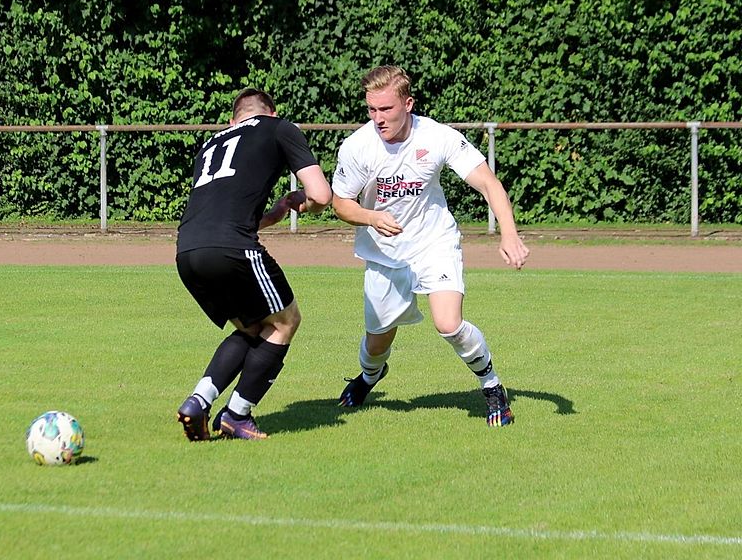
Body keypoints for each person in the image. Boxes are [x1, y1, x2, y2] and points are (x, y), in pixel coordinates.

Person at [331, 65, 529, 426]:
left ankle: (492, 385)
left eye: (386, 109)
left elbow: (488, 184)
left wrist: (509, 233)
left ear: (408, 104)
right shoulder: (357, 146)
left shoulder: (438, 137)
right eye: (371, 110)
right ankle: (369, 378)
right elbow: (340, 202)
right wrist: (371, 217)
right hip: (384, 253)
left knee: (448, 323)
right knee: (377, 345)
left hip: (433, 242)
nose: (378, 119)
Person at [175, 88, 332, 441]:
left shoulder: (211, 144)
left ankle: (199, 402)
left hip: (187, 251)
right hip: (232, 250)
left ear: (234, 120)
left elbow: (226, 211)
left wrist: (274, 213)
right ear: (271, 113)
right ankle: (237, 414)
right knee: (285, 321)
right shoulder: (278, 128)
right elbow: (321, 195)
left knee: (250, 328)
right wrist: (304, 204)